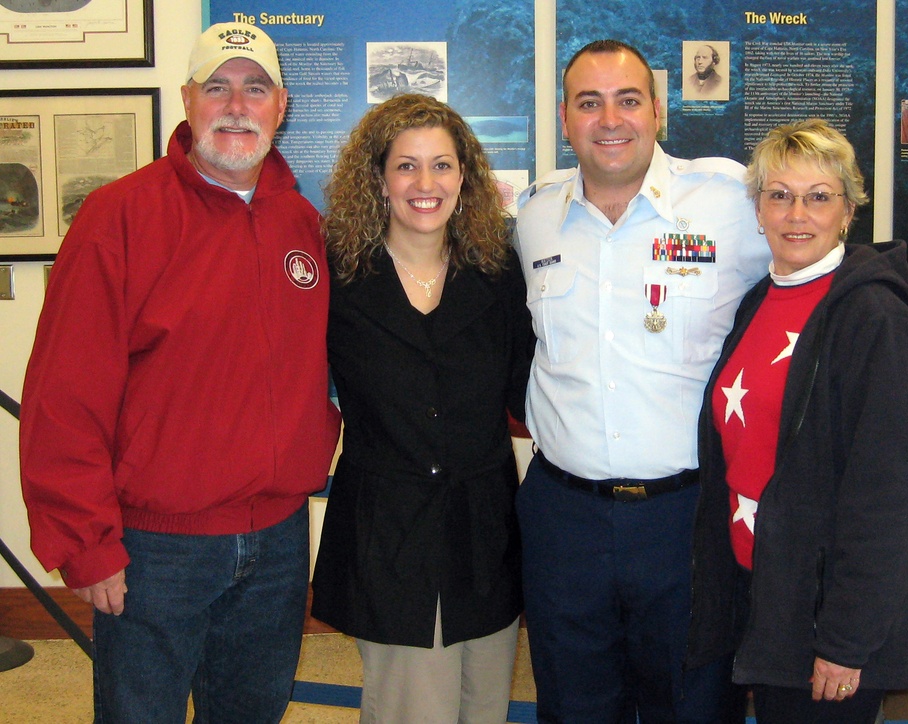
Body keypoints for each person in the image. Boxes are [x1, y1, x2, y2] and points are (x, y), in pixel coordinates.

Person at [19, 23, 339, 722]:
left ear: (280, 106)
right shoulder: (118, 218)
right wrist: (88, 541)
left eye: (254, 88)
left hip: (279, 540)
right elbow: (63, 395)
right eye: (217, 87)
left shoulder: (301, 224)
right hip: (156, 549)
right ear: (188, 100)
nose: (236, 104)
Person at [513, 39, 770, 722]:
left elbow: (814, 270)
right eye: (589, 102)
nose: (610, 119)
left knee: (693, 705)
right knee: (571, 706)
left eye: (628, 100)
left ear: (658, 110)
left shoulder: (728, 205)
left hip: (684, 518)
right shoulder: (534, 216)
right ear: (565, 118)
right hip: (564, 517)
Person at [686, 118, 908, 723]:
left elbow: (888, 494)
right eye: (778, 195)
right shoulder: (759, 299)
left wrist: (845, 641)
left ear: (848, 209)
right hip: (767, 592)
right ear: (757, 210)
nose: (796, 214)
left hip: (826, 613)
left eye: (819, 196)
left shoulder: (875, 315)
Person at [310, 93, 534, 723]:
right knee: (413, 711)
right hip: (390, 536)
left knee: (483, 706)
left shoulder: (496, 273)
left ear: (466, 177)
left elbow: (532, 386)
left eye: (442, 165)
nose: (425, 183)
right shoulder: (340, 278)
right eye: (406, 166)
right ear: (378, 179)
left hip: (485, 530)